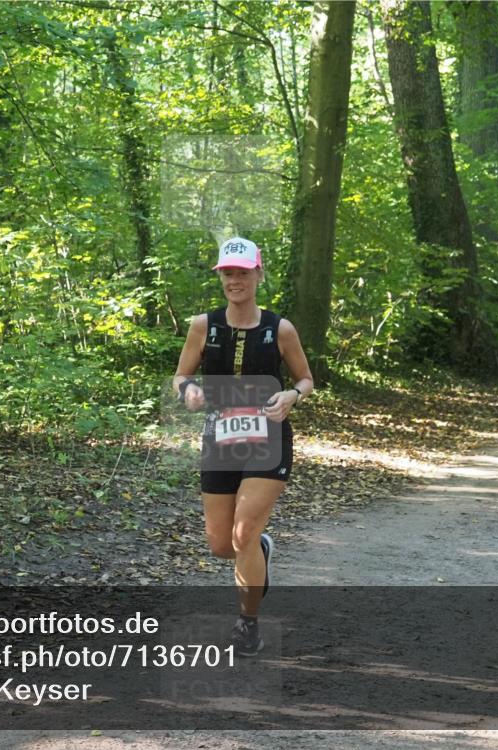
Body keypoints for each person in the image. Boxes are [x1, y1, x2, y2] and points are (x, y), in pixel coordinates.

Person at [173, 237, 314, 656]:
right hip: (220, 439)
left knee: (243, 532)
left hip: (268, 440)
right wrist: (188, 391)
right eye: (228, 274)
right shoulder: (204, 326)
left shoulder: (280, 329)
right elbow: (181, 375)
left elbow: (305, 379)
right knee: (222, 545)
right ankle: (260, 550)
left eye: (243, 273)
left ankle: (247, 625)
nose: (235, 281)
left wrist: (292, 396)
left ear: (258, 274)